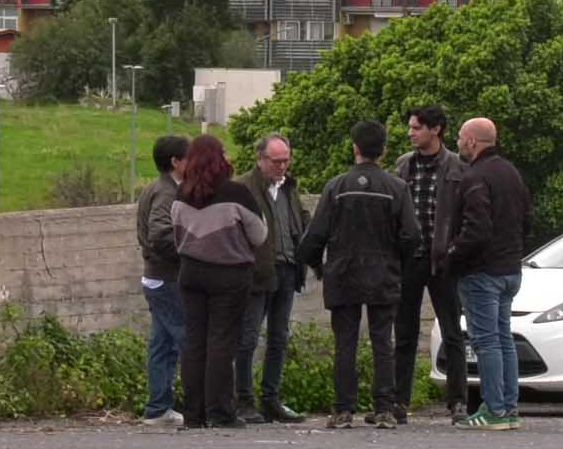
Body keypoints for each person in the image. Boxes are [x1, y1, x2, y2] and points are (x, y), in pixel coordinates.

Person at [297, 120, 418, 429]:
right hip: (384, 272)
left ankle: (343, 410)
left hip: (343, 272)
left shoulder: (336, 187)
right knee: (383, 341)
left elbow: (315, 235)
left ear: (355, 148)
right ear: (384, 151)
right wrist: (399, 263)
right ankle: (384, 408)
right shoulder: (397, 188)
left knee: (345, 342)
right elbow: (412, 236)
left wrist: (317, 265)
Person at [171, 134, 268, 429]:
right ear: (218, 159)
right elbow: (260, 235)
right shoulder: (237, 193)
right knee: (222, 341)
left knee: (194, 342)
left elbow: (176, 234)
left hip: (191, 273)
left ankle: (194, 414)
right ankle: (220, 411)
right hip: (229, 274)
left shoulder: (181, 194)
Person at [446, 117, 532, 431]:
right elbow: (527, 220)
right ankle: (509, 407)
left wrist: (453, 254)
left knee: (486, 342)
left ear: (471, 141)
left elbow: (477, 228)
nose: (458, 142)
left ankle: (494, 409)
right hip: (510, 268)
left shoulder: (474, 176)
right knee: (503, 338)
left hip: (482, 271)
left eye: (460, 137)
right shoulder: (511, 173)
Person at [392, 106, 468, 424]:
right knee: (404, 333)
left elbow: (465, 212)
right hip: (410, 258)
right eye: (410, 127)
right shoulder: (403, 165)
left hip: (443, 260)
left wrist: (454, 250)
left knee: (452, 332)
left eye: (417, 128)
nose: (410, 133)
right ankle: (399, 401)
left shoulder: (457, 166)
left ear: (435, 129)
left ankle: (458, 401)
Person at [234, 133, 308, 424]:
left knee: (279, 337)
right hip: (256, 273)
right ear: (260, 159)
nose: (282, 166)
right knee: (248, 337)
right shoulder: (243, 188)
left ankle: (271, 399)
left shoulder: (289, 187)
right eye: (276, 161)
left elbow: (300, 220)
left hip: (288, 269)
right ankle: (243, 400)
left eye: (286, 160)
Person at [134, 136, 191, 426]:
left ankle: (158, 407)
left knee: (162, 343)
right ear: (175, 162)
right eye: (189, 157)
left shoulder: (159, 188)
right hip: (166, 278)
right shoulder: (167, 193)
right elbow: (159, 234)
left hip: (156, 277)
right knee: (186, 339)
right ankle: (193, 404)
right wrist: (189, 250)